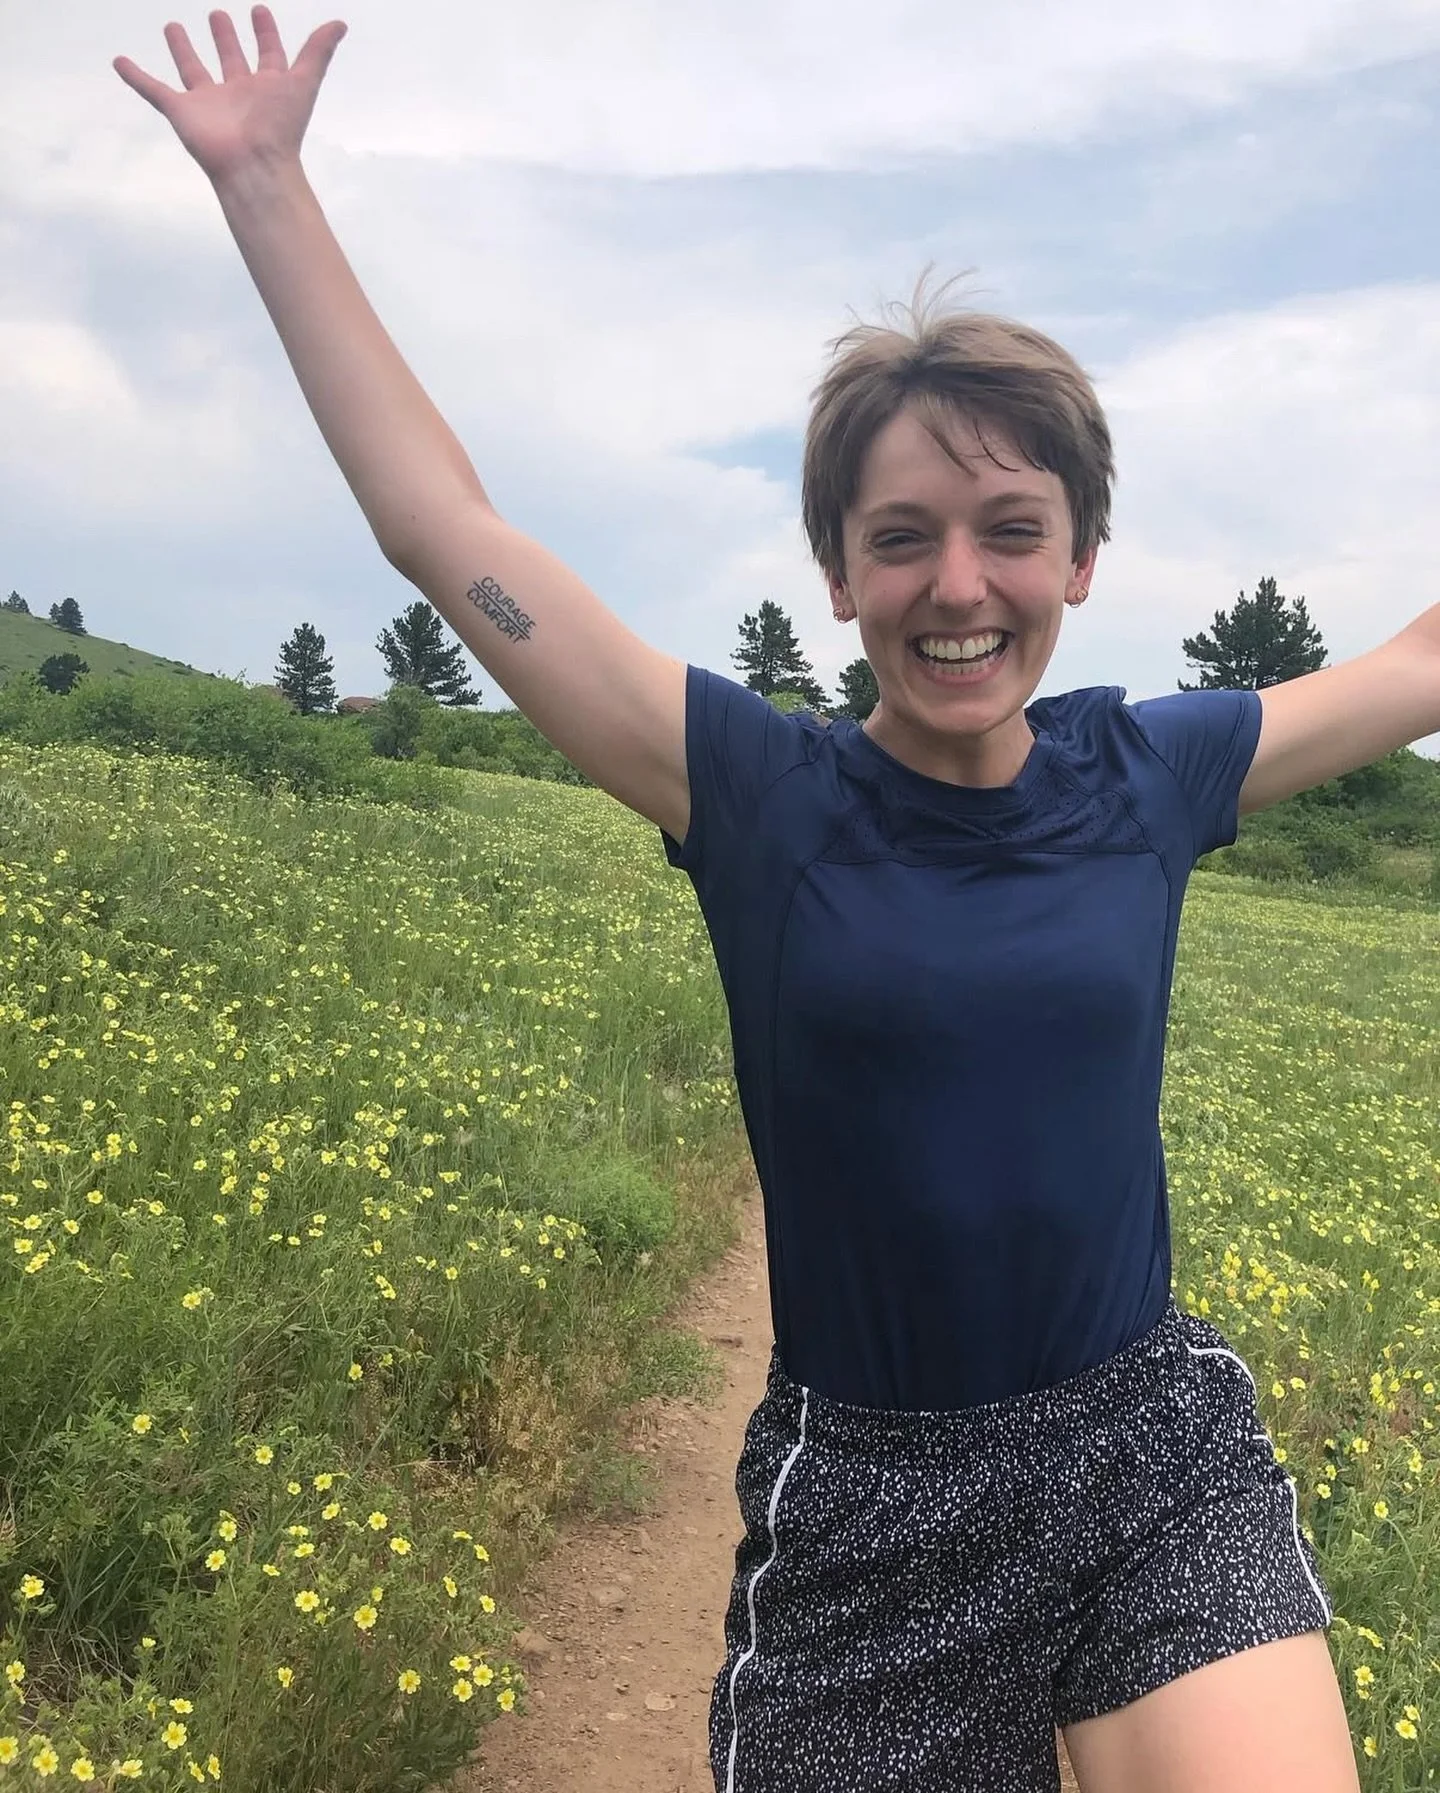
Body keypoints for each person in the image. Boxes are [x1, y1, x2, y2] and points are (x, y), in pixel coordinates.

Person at [113, 11, 1440, 1790]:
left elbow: (1418, 662)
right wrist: (267, 187)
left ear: (1080, 559)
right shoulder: (754, 795)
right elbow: (444, 529)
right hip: (875, 1514)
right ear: (836, 572)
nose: (957, 585)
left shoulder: (1154, 771)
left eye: (1010, 528)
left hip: (1146, 1455)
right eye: (901, 537)